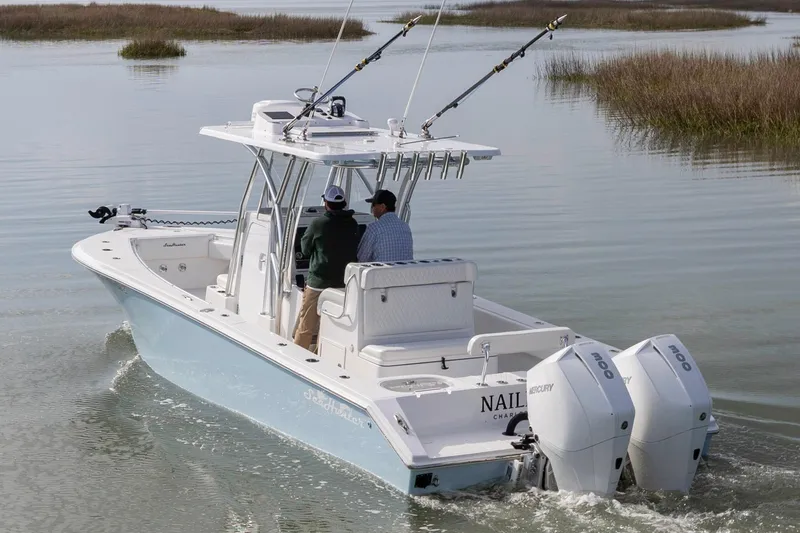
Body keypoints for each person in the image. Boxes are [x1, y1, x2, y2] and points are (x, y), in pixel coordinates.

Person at [293, 185, 360, 351]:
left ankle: (296, 355)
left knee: (306, 326)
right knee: (330, 327)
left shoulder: (318, 223)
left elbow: (305, 249)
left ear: (326, 203)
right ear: (344, 203)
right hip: (342, 285)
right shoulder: (352, 224)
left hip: (318, 283)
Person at [357, 189, 413, 263]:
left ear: (382, 207)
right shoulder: (405, 226)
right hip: (404, 273)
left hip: (381, 273)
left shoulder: (374, 228)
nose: (372, 208)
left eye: (373, 205)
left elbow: (362, 258)